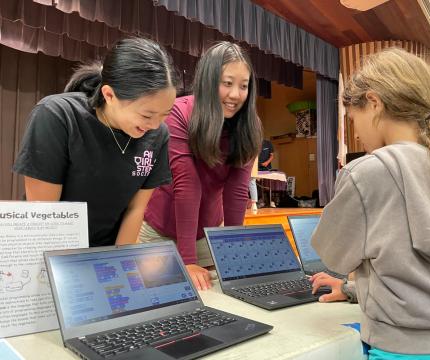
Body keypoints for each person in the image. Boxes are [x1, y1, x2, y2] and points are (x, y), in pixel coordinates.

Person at [309, 48, 430, 358]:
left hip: (402, 350)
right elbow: (420, 276)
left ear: (374, 103)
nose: (356, 134)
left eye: (353, 119)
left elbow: (333, 256)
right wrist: (349, 289)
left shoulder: (367, 172)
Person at [13, 37, 177, 247]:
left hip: (104, 252)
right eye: (147, 115)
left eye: (164, 114)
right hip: (49, 247)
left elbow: (135, 209)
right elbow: (45, 215)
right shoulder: (58, 116)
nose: (155, 125)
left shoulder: (158, 135)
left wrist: (120, 263)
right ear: (109, 95)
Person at [140, 41, 263, 290]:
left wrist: (233, 253)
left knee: (211, 297)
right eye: (227, 83)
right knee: (157, 300)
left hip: (205, 233)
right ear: (208, 80)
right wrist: (187, 260)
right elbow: (187, 184)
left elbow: (237, 192)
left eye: (243, 86)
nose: (235, 95)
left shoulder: (249, 126)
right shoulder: (179, 113)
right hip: (160, 230)